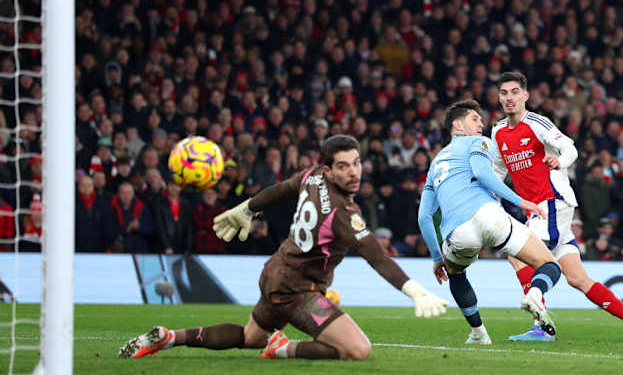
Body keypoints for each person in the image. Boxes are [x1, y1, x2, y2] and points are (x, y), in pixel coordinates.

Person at [119, 135, 448, 361]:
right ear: (328, 169)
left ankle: (168, 337)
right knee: (358, 350)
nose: (353, 172)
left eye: (357, 163)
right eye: (344, 166)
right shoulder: (344, 214)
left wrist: (247, 208)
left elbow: (281, 189)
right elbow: (376, 257)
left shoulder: (311, 177)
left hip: (275, 273)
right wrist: (415, 291)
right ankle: (283, 348)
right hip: (297, 291)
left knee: (250, 337)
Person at [490, 71, 623, 343]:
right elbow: (496, 173)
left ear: (525, 95)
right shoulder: (498, 132)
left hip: (553, 202)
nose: (510, 98)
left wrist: (561, 161)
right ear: (498, 97)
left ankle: (539, 316)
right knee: (578, 279)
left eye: (515, 92)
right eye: (504, 93)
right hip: (539, 211)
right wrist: (490, 202)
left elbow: (570, 148)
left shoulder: (537, 123)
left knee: (516, 253)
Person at [418, 99, 562, 346]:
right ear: (458, 125)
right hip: (489, 217)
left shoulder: (435, 164)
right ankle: (535, 295)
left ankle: (478, 333)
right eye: (474, 119)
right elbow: (483, 173)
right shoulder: (479, 142)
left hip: (458, 233)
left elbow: (424, 217)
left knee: (456, 273)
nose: (481, 124)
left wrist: (435, 258)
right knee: (549, 265)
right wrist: (521, 201)